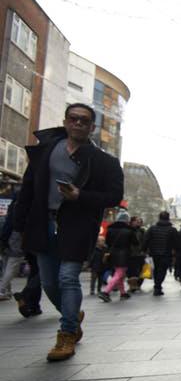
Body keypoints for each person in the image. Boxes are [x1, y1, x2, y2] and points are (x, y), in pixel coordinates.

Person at [13, 103, 124, 361]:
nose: (78, 124)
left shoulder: (103, 161)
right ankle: (72, 315)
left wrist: (80, 195)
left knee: (67, 278)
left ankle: (66, 334)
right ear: (65, 122)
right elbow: (28, 189)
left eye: (84, 121)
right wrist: (19, 224)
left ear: (92, 128)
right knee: (49, 282)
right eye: (73, 119)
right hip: (43, 223)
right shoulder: (46, 152)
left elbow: (114, 196)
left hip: (77, 225)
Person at [98, 210, 134, 302]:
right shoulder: (129, 230)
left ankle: (123, 293)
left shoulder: (110, 229)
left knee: (119, 274)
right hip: (124, 254)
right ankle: (106, 292)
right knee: (119, 274)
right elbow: (135, 242)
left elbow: (107, 242)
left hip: (113, 253)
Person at [143, 211, 178, 296]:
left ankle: (157, 286)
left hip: (153, 253)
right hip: (166, 253)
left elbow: (145, 240)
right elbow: (177, 242)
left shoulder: (152, 228)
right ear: (168, 218)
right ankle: (158, 286)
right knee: (162, 270)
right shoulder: (172, 230)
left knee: (156, 270)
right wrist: (175, 252)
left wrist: (143, 249)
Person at [0, 195, 24, 300]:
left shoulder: (13, 203)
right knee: (13, 263)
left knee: (6, 264)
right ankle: (2, 290)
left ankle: (7, 291)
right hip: (16, 235)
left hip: (6, 235)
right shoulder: (21, 204)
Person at [126, 216, 146, 292]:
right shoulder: (128, 230)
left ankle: (138, 284)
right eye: (137, 221)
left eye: (140, 221)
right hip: (131, 254)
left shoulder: (142, 231)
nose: (139, 222)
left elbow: (144, 242)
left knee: (143, 270)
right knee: (131, 271)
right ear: (132, 221)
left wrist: (145, 251)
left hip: (140, 254)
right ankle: (132, 285)